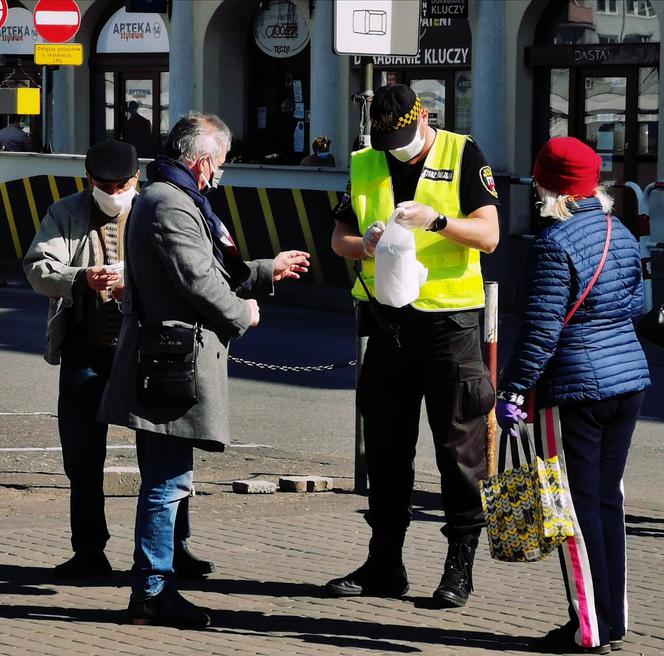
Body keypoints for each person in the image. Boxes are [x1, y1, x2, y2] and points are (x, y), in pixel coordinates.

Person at [98, 112, 310, 628]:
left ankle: (155, 586)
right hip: (169, 360)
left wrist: (266, 270)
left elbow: (215, 267)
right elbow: (197, 279)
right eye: (220, 163)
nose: (221, 173)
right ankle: (151, 593)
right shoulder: (169, 202)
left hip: (171, 355)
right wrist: (243, 313)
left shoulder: (176, 198)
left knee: (168, 478)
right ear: (203, 161)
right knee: (167, 482)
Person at [326, 84, 499, 607]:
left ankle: (459, 567)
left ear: (424, 121)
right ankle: (385, 563)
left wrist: (439, 221)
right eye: (387, 139)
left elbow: (489, 235)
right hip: (387, 322)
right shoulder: (365, 161)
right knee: (385, 447)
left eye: (403, 136)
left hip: (451, 325)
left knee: (458, 450)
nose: (396, 146)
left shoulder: (462, 152)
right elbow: (339, 240)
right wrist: (368, 244)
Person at [23, 140, 211, 580]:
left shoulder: (158, 208)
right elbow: (38, 267)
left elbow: (191, 267)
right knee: (83, 456)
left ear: (137, 179)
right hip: (87, 350)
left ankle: (174, 548)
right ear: (89, 181)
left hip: (150, 351)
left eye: (120, 184)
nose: (112, 191)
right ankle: (89, 551)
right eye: (102, 184)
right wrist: (82, 278)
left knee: (162, 454)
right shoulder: (66, 211)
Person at [495, 137, 650, 655]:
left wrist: (513, 389)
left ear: (550, 186)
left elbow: (540, 332)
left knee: (572, 511)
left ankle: (588, 630)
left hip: (573, 389)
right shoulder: (621, 232)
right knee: (607, 503)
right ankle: (614, 621)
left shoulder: (553, 244)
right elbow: (633, 303)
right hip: (627, 381)